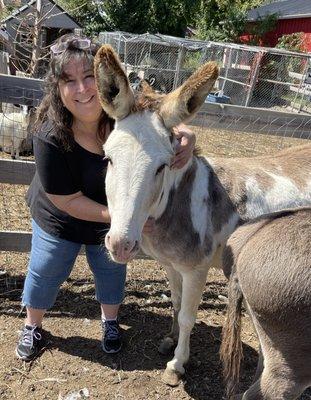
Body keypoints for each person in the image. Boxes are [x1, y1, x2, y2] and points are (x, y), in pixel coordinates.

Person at [16, 33, 196, 362]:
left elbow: (162, 121)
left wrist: (185, 133)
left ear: (105, 82)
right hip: (60, 216)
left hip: (117, 214)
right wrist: (123, 219)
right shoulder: (48, 135)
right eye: (69, 80)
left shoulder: (122, 117)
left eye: (89, 78)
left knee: (112, 270)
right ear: (57, 87)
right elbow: (66, 201)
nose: (83, 90)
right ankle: (32, 325)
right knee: (46, 269)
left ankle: (110, 322)